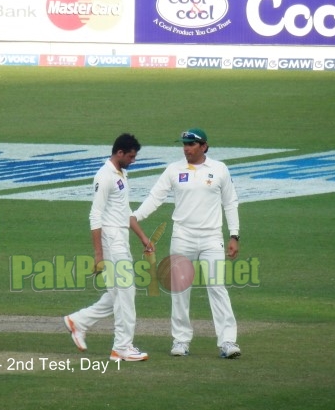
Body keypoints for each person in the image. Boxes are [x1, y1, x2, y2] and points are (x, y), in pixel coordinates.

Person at [133, 128, 241, 359]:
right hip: (183, 236)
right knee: (180, 289)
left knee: (217, 287)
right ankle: (181, 340)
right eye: (184, 144)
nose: (186, 148)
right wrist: (135, 216)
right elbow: (156, 197)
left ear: (204, 146)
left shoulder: (219, 169)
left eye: (191, 144)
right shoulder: (174, 169)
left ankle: (228, 341)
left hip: (212, 237)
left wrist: (234, 235)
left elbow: (230, 203)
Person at [64, 133, 152, 362]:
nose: (133, 160)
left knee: (116, 294)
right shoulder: (104, 177)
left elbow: (125, 210)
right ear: (119, 153)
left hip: (120, 239)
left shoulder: (122, 173)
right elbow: (95, 215)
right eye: (131, 156)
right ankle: (122, 347)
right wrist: (98, 254)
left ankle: (79, 321)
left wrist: (143, 237)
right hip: (112, 241)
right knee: (126, 293)